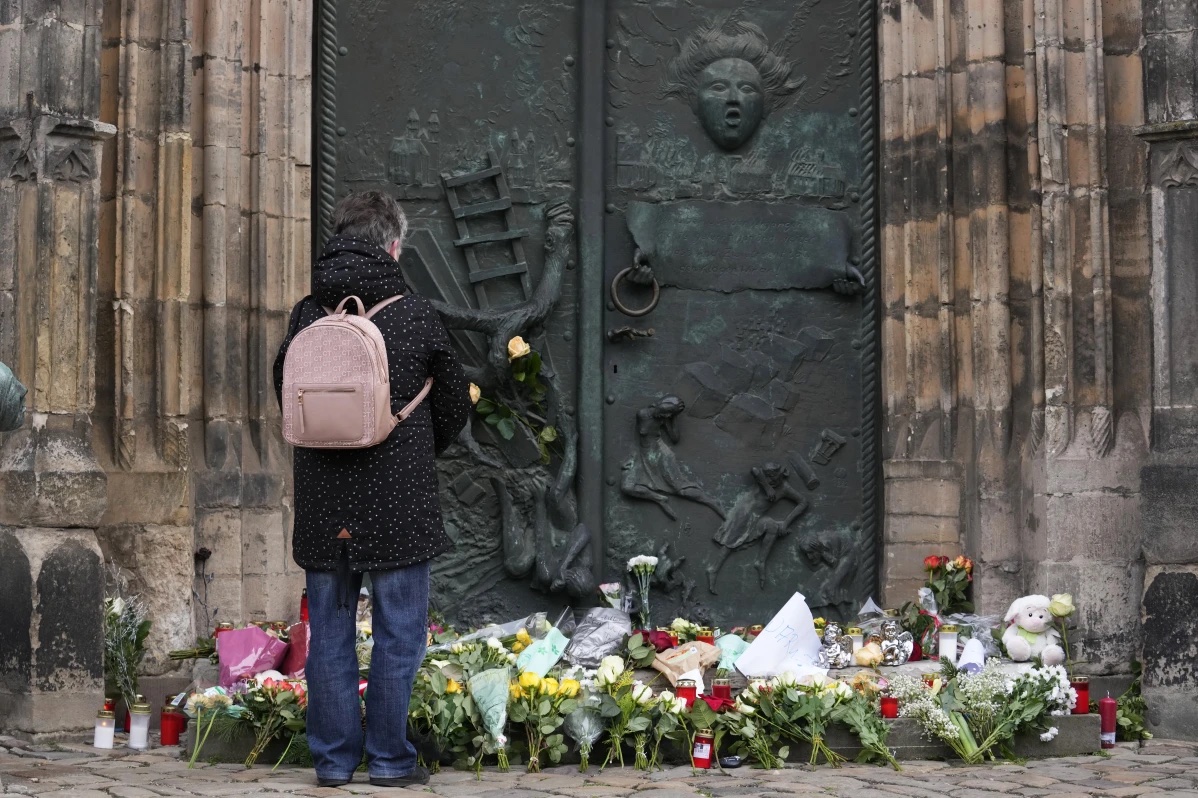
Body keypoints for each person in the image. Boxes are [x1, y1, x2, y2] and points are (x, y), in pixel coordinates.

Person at [273, 190, 470, 787]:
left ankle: (333, 763)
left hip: (321, 505)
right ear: (392, 245)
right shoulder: (414, 315)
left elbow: (282, 393)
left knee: (329, 635)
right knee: (398, 633)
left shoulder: (307, 314)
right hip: (399, 503)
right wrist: (408, 445)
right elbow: (455, 407)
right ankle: (389, 760)